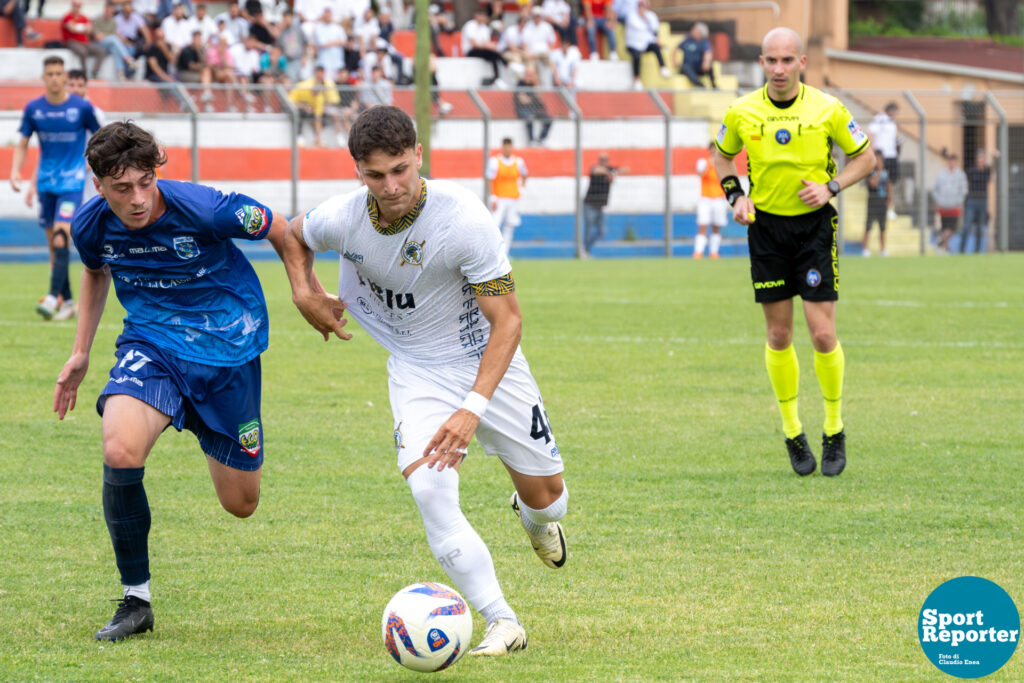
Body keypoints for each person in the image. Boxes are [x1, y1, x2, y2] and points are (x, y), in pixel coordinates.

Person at [280, 105, 569, 657]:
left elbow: (507, 320)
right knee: (430, 489)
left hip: (486, 361)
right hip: (415, 368)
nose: (390, 186)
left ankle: (534, 518)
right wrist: (305, 292)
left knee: (550, 499)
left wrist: (471, 409)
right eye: (375, 175)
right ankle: (502, 621)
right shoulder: (343, 216)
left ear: (418, 155)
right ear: (357, 171)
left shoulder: (464, 219)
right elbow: (293, 235)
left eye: (399, 170)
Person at [53, 121, 289, 642]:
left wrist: (306, 291)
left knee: (241, 503)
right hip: (153, 345)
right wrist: (80, 353)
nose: (137, 199)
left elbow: (277, 226)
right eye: (121, 188)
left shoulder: (204, 209)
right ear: (98, 185)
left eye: (145, 182)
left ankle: (205, 424)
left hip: (228, 350)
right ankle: (136, 598)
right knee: (119, 447)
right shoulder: (91, 225)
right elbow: (96, 271)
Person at [712, 27, 874, 477]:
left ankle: (834, 428)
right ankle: (792, 432)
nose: (779, 69)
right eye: (771, 61)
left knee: (823, 335)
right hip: (766, 231)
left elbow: (865, 157)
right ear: (761, 63)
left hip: (815, 231)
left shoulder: (828, 108)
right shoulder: (742, 111)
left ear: (802, 62)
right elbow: (721, 156)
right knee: (779, 337)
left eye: (787, 60)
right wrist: (736, 197)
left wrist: (832, 186)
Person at [10, 56, 101, 322]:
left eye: (58, 73)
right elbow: (23, 141)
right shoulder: (34, 109)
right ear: (44, 77)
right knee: (53, 246)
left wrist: (94, 165)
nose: (54, 78)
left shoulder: (81, 108)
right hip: (46, 185)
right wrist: (16, 170)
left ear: (64, 77)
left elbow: (100, 137)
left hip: (71, 183)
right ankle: (68, 301)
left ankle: (52, 297)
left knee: (62, 236)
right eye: (49, 73)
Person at [486, 137, 528, 256]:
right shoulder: (495, 161)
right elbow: (490, 178)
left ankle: (505, 253)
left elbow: (525, 174)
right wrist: (493, 196)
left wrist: (522, 188)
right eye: (506, 146)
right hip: (500, 199)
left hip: (513, 198)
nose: (508, 148)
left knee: (510, 226)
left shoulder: (518, 161)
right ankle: (492, 252)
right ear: (502, 147)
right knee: (494, 225)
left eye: (509, 146)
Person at [582, 152, 625, 256]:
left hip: (600, 207)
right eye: (602, 160)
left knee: (602, 231)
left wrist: (613, 172)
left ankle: (586, 249)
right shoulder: (597, 169)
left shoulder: (610, 172)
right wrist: (609, 172)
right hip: (590, 205)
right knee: (588, 230)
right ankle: (583, 251)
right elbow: (596, 170)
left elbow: (625, 170)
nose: (603, 162)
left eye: (605, 160)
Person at [623, 0, 670, 90]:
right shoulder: (631, 15)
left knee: (656, 48)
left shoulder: (651, 15)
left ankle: (663, 67)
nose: (642, 8)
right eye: (640, 5)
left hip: (646, 42)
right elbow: (638, 27)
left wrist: (645, 18)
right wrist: (643, 18)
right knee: (636, 56)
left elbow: (654, 29)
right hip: (633, 43)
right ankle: (637, 79)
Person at [959, 148, 997, 254]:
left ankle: (978, 251)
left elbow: (992, 169)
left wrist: (994, 158)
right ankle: (961, 250)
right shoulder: (971, 171)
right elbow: (966, 185)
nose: (981, 160)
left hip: (982, 201)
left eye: (983, 158)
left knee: (981, 227)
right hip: (972, 201)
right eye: (980, 158)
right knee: (967, 226)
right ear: (977, 159)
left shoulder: (986, 171)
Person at [693, 142, 726, 259]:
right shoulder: (703, 162)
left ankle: (714, 252)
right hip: (705, 199)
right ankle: (698, 252)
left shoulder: (723, 164)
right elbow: (699, 174)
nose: (714, 152)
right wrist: (709, 165)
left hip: (719, 199)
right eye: (712, 149)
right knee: (703, 225)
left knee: (717, 226)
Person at [868, 101, 899, 220]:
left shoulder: (892, 122)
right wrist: (873, 152)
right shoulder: (880, 119)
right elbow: (871, 134)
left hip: (892, 155)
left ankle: (889, 208)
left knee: (891, 182)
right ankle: (883, 209)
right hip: (882, 155)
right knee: (882, 181)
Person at [932, 152, 967, 253]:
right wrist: (938, 201)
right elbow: (936, 189)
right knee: (945, 227)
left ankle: (938, 241)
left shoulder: (960, 175)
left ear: (956, 162)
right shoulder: (942, 175)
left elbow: (963, 190)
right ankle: (946, 249)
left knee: (953, 228)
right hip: (943, 205)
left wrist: (959, 201)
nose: (951, 163)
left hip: (954, 206)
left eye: (953, 161)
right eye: (950, 161)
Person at [63, 0, 107, 78]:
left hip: (84, 42)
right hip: (72, 42)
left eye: (78, 6)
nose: (77, 8)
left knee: (101, 51)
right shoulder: (67, 17)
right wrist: (84, 27)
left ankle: (95, 72)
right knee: (83, 52)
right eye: (75, 6)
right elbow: (72, 28)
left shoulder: (84, 17)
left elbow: (89, 29)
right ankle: (84, 74)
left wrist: (77, 26)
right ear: (72, 6)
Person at [513, 64, 552, 145]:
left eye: (532, 74)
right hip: (523, 109)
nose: (530, 76)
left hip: (534, 109)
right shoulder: (520, 83)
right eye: (529, 74)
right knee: (529, 117)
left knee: (548, 118)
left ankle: (542, 139)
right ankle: (531, 140)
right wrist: (532, 97)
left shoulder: (534, 84)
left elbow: (538, 97)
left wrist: (535, 85)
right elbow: (523, 100)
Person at [861, 150, 889, 257]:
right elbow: (873, 184)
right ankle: (865, 249)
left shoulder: (886, 172)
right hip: (872, 201)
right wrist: (879, 172)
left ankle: (883, 249)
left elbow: (888, 186)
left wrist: (889, 199)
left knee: (882, 227)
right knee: (868, 226)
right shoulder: (871, 172)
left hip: (882, 202)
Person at [673, 21, 714, 88]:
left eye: (695, 30)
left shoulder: (704, 42)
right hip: (688, 67)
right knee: (685, 67)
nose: (692, 31)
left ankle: (713, 84)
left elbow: (707, 53)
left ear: (700, 33)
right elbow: (676, 48)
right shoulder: (688, 39)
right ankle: (699, 84)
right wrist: (674, 60)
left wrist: (706, 63)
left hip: (698, 67)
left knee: (710, 66)